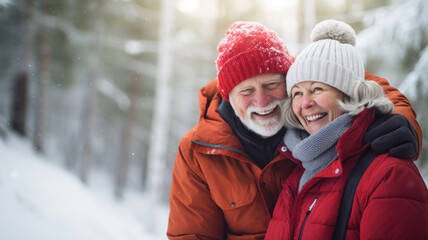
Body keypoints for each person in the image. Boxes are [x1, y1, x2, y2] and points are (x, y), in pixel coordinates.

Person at [167, 21, 422, 239]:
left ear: (288, 80)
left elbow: (351, 79)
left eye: (271, 85)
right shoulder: (199, 151)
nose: (262, 101)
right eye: (246, 91)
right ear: (228, 97)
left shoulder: (308, 113)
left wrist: (401, 118)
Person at [265, 19, 428, 239]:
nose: (305, 104)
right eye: (297, 93)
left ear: (350, 94)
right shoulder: (296, 175)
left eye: (317, 89)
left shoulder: (388, 175)